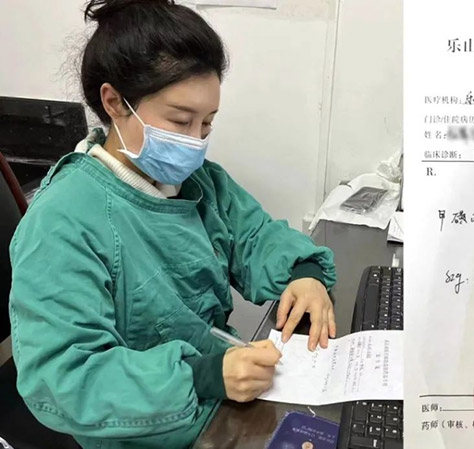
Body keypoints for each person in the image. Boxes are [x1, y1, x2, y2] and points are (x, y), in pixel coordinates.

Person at [8, 1, 337, 448]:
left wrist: (305, 274)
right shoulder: (63, 221)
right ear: (114, 102)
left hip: (223, 402)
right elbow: (65, 378)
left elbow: (256, 237)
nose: (195, 142)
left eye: (207, 125)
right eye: (181, 121)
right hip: (145, 430)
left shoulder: (199, 183)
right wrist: (202, 376)